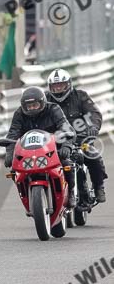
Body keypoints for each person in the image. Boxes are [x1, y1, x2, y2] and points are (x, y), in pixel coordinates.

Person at [4, 86, 77, 208]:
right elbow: (12, 134)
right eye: (29, 106)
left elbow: (66, 128)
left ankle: (70, 193)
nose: (32, 108)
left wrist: (67, 146)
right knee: (14, 171)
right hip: (28, 151)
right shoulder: (19, 113)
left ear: (42, 103)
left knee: (67, 163)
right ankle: (25, 193)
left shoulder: (53, 109)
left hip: (53, 148)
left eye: (35, 105)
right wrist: (9, 153)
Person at [46, 68, 107, 203]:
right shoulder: (45, 100)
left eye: (61, 85)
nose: (58, 89)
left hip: (81, 139)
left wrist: (93, 128)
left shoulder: (81, 96)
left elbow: (94, 113)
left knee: (94, 156)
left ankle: (98, 187)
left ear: (68, 84)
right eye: (55, 86)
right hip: (55, 142)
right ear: (50, 87)